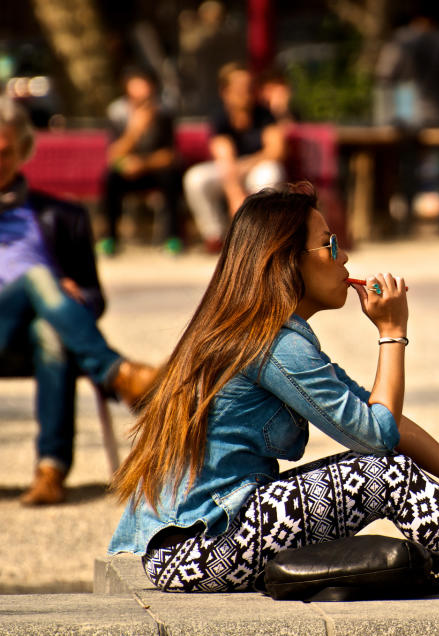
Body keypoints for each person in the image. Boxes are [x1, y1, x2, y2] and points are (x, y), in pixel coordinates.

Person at [108, 182, 439, 594]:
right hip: (203, 549)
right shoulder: (273, 344)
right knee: (380, 474)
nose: (344, 257)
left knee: (382, 471)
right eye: (329, 244)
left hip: (204, 543)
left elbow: (378, 416)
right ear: (285, 262)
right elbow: (375, 439)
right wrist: (392, 333)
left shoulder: (263, 334)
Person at [0, 97, 157, 505]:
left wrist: (74, 294)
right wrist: (48, 285)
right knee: (38, 276)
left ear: (22, 150)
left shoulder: (61, 215)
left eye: (3, 151)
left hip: (36, 335)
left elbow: (93, 296)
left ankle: (50, 470)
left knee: (50, 330)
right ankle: (118, 374)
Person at [183, 63, 285, 253]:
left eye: (248, 86)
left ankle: (261, 234)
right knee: (195, 179)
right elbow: (225, 158)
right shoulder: (220, 117)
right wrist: (235, 196)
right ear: (225, 91)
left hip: (254, 167)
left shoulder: (264, 114)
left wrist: (246, 165)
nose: (245, 92)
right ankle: (215, 235)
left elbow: (276, 150)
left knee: (270, 173)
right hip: (228, 170)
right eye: (239, 87)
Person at [100, 67, 182, 256]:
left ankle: (173, 237)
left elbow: (170, 155)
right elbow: (113, 155)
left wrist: (143, 163)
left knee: (171, 178)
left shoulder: (163, 112)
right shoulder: (117, 112)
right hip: (128, 169)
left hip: (155, 168)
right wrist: (135, 130)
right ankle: (110, 238)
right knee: (111, 179)